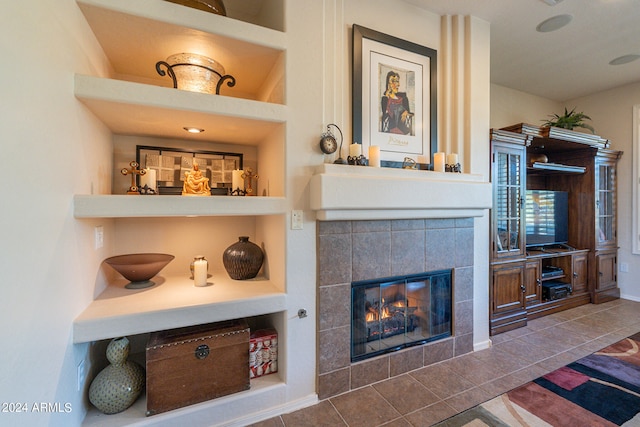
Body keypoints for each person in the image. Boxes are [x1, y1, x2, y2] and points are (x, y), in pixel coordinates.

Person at [381, 70, 413, 135]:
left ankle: (400, 127)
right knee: (396, 107)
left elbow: (408, 112)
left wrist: (405, 112)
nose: (398, 85)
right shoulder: (385, 99)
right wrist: (387, 95)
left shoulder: (403, 98)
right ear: (389, 83)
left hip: (402, 126)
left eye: (397, 81)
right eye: (394, 82)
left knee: (399, 107)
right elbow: (384, 114)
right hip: (391, 127)